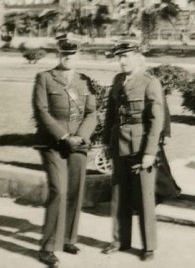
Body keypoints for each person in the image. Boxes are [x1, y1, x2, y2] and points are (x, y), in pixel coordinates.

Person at [32, 39, 97, 266]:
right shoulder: (45, 78)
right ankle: (47, 247)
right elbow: (41, 111)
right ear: (58, 55)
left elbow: (92, 113)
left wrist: (81, 136)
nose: (68, 58)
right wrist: (63, 137)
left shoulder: (85, 81)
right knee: (58, 191)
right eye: (64, 54)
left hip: (78, 142)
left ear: (80, 56)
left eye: (73, 55)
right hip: (53, 144)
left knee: (75, 190)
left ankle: (68, 238)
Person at [101, 42, 164, 261]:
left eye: (126, 56)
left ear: (139, 57)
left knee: (144, 198)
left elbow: (157, 121)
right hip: (119, 145)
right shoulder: (118, 80)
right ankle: (120, 240)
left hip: (140, 148)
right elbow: (111, 115)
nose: (122, 61)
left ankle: (148, 246)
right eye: (119, 57)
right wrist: (106, 144)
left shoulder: (150, 82)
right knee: (119, 194)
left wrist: (149, 152)